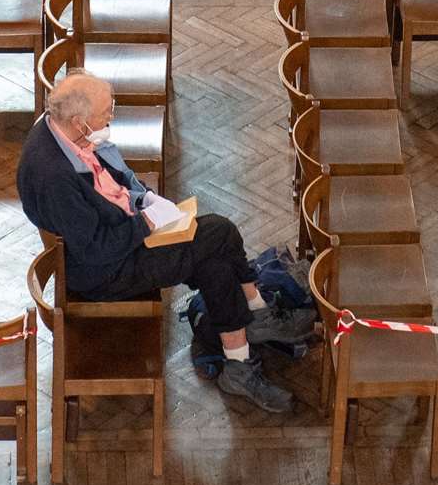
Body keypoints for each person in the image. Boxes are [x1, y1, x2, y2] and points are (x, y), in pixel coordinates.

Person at [16, 70, 305, 412]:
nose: (111, 117)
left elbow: (109, 171)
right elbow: (96, 249)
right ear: (78, 121)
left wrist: (143, 198)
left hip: (122, 234)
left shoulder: (60, 128)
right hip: (106, 272)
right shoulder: (53, 177)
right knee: (219, 232)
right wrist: (148, 221)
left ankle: (240, 359)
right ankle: (255, 313)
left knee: (214, 261)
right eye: (106, 112)